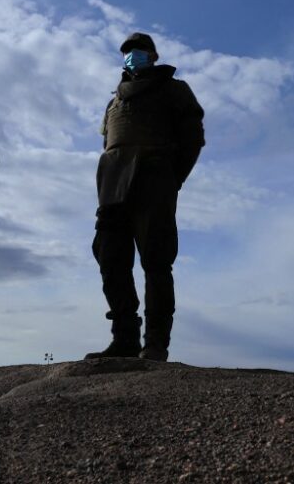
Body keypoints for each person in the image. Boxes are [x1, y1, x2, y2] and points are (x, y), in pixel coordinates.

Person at [85, 32, 205, 362]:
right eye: (127, 52)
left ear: (153, 55)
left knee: (156, 260)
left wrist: (170, 177)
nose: (131, 56)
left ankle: (155, 344)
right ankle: (124, 338)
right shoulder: (114, 101)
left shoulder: (174, 89)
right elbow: (108, 144)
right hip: (112, 186)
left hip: (154, 177)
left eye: (138, 51)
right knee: (110, 258)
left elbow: (193, 138)